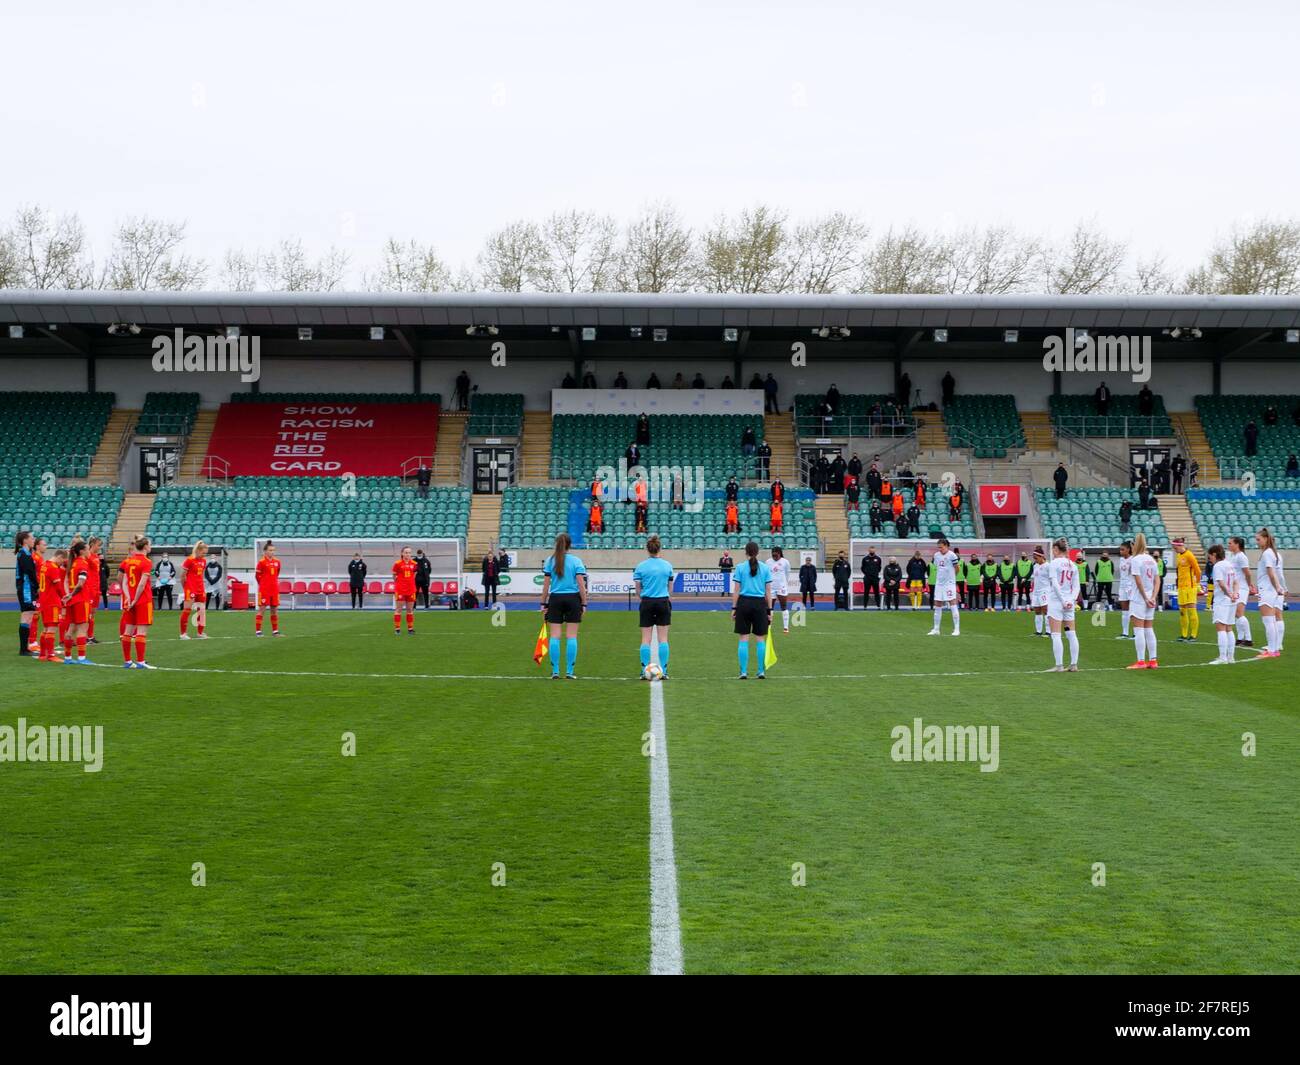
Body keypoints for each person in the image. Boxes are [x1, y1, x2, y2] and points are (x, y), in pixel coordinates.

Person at [541, 533, 588, 680]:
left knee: (555, 636)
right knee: (571, 636)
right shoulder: (576, 561)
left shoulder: (550, 560)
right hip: (573, 599)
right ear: (569, 545)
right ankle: (569, 671)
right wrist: (584, 602)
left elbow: (546, 585)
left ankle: (555, 671)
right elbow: (581, 584)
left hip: (555, 599)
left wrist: (543, 603)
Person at [634, 536, 674, 679]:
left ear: (648, 549)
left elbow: (637, 589)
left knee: (646, 639)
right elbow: (670, 588)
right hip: (663, 601)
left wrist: (643, 597)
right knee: (663, 639)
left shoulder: (641, 566)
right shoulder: (667, 565)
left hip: (647, 602)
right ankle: (664, 671)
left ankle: (644, 670)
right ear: (659, 548)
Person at [731, 541, 772, 680]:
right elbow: (768, 591)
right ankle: (761, 671)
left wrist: (734, 608)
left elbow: (736, 590)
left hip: (744, 603)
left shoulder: (740, 568)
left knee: (743, 638)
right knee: (760, 639)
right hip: (760, 604)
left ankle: (743, 671)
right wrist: (769, 610)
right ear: (757, 552)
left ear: (746, 552)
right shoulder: (765, 568)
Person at [119, 536, 156, 668]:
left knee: (128, 631)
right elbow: (142, 584)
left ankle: (128, 661)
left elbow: (124, 581)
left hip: (130, 600)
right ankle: (140, 661)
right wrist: (135, 599)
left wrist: (128, 597)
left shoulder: (129, 561)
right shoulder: (146, 562)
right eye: (150, 544)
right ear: (145, 546)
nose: (150, 547)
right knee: (141, 632)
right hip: (143, 600)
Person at [1046, 538, 1081, 672]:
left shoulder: (1054, 563)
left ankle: (1059, 665)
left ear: (1056, 549)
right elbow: (1076, 586)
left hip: (1057, 601)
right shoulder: (1073, 565)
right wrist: (1071, 600)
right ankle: (1074, 664)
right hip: (1069, 602)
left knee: (1056, 634)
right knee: (1071, 633)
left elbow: (1055, 584)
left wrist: (1062, 600)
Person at [1127, 533, 1161, 669]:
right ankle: (1153, 660)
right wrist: (1153, 596)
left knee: (1139, 629)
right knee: (1149, 628)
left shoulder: (1135, 560)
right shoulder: (1151, 560)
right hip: (1150, 598)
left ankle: (1141, 661)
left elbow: (1138, 581)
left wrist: (1146, 598)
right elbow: (1157, 580)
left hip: (1139, 598)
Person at [1254, 527, 1286, 657]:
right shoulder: (1271, 552)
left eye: (1258, 539)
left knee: (1268, 621)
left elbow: (1271, 573)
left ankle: (1272, 650)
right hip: (1269, 590)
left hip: (1266, 590)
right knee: (1271, 620)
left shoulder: (1267, 553)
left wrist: (1278, 587)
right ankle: (1274, 649)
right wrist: (1278, 588)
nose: (1257, 542)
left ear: (1266, 539)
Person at [1207, 544, 1240, 664]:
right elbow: (1236, 582)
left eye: (1210, 556)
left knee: (1220, 628)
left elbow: (1221, 583)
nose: (1209, 559)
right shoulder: (1230, 564)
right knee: (1229, 628)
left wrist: (1229, 594)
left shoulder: (1218, 566)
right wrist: (1235, 594)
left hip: (1222, 600)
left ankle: (1222, 657)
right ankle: (1231, 657)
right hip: (1232, 601)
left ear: (1215, 554)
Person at [36, 547, 69, 662]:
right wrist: (64, 598)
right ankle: (50, 655)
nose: (62, 563)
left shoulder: (44, 565)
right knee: (52, 628)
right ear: (59, 557)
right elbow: (58, 587)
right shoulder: (53, 567)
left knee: (45, 628)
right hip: (52, 601)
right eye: (63, 561)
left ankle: (42, 654)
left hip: (44, 601)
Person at [63, 541, 94, 664]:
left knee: (71, 628)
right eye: (87, 549)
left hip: (72, 601)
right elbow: (80, 584)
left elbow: (66, 580)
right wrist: (71, 594)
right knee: (82, 628)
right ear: (82, 551)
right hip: (81, 599)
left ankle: (68, 658)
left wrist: (68, 595)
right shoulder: (82, 564)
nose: (89, 551)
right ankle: (81, 658)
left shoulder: (73, 564)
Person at [928, 538, 961, 636]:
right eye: (938, 548)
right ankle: (936, 629)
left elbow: (957, 568)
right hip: (939, 584)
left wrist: (951, 579)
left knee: (953, 604)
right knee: (937, 605)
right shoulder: (936, 555)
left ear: (946, 546)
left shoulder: (952, 555)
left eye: (941, 547)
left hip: (949, 584)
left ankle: (956, 629)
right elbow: (938, 567)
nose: (940, 549)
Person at [1227, 536, 1255, 647]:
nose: (1228, 545)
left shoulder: (1241, 557)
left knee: (1239, 613)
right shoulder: (1234, 556)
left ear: (1237, 544)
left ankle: (1248, 639)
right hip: (1236, 588)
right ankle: (1240, 638)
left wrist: (1249, 585)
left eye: (1230, 543)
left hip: (1242, 587)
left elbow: (1247, 573)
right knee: (1236, 613)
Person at [1173, 538, 1202, 643]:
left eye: (1174, 546)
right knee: (1182, 611)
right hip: (1181, 588)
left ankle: (1193, 635)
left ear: (1179, 545)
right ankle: (1184, 635)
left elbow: (1198, 571)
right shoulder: (1178, 556)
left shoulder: (1189, 555)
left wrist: (1197, 583)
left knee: (1191, 610)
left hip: (1190, 587)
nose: (1174, 548)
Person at [14, 531, 38, 656]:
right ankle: (23, 649)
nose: (34, 540)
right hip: (26, 589)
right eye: (32, 538)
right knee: (27, 615)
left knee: (28, 616)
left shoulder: (25, 554)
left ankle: (25, 648)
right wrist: (38, 586)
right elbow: (29, 572)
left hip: (26, 588)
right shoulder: (24, 554)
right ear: (25, 540)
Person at [179, 541, 209, 640]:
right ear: (198, 550)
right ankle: (183, 634)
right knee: (187, 610)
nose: (204, 555)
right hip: (190, 588)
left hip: (200, 588)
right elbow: (182, 576)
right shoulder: (189, 560)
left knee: (202, 611)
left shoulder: (204, 561)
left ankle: (200, 633)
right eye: (203, 553)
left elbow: (200, 575)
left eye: (205, 553)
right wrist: (186, 587)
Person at [254, 541, 282, 637]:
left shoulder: (277, 562)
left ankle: (275, 631)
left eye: (273, 550)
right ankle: (258, 631)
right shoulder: (261, 562)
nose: (272, 552)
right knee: (262, 609)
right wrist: (263, 585)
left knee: (274, 609)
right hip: (264, 590)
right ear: (265, 551)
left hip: (274, 589)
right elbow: (257, 576)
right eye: (270, 550)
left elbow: (277, 574)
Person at [392, 547, 418, 634]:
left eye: (409, 553)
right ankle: (397, 629)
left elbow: (414, 574)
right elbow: (394, 575)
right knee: (398, 609)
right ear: (402, 553)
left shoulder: (414, 563)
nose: (408, 554)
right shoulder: (397, 563)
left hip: (411, 589)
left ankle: (410, 629)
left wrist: (409, 582)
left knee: (410, 609)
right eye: (406, 552)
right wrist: (400, 583)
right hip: (400, 590)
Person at [769, 546, 791, 633]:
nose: (774, 557)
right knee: (770, 607)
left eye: (776, 555)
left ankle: (786, 627)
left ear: (779, 553)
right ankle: (768, 626)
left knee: (784, 606)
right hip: (771, 587)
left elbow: (787, 574)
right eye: (773, 555)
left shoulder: (785, 562)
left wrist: (784, 584)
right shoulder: (768, 562)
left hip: (781, 587)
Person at [1029, 546, 1050, 638]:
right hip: (1036, 592)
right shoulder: (1035, 566)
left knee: (1046, 611)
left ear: (1041, 556)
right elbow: (1035, 578)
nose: (1035, 560)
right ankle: (1038, 632)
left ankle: (1048, 632)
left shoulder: (1048, 566)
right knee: (1037, 611)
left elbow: (1052, 579)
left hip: (1045, 591)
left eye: (1036, 558)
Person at [1115, 540, 1134, 640]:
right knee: (1124, 610)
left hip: (1130, 586)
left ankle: (1135, 634)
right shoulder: (1121, 559)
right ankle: (1125, 633)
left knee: (1133, 610)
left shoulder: (1133, 559)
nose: (1121, 551)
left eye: (1123, 549)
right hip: (1122, 585)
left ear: (1128, 550)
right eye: (1120, 549)